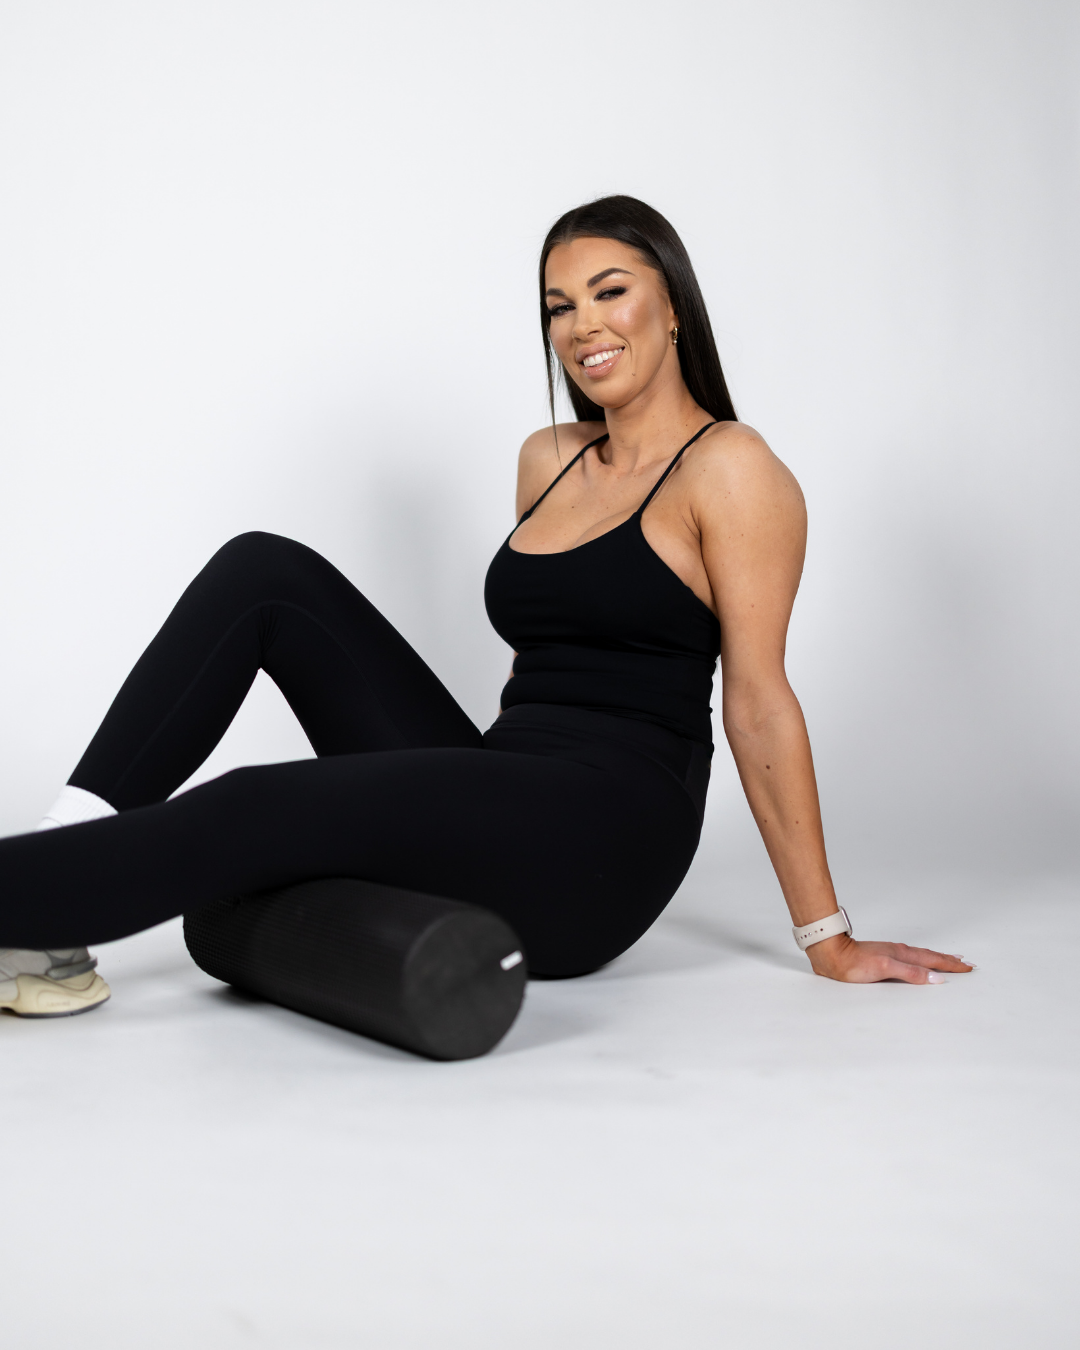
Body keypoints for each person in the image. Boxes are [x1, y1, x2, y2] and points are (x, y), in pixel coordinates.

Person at [0, 195, 971, 1020]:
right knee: (266, 575)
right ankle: (50, 883)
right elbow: (544, 660)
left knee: (262, 801)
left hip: (604, 836)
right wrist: (440, 795)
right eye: (558, 306)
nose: (583, 325)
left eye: (610, 292)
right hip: (509, 783)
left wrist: (827, 938)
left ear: (672, 307)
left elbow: (757, 705)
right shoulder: (547, 460)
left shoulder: (733, 470)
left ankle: (30, 905)